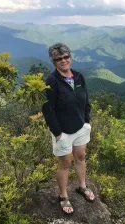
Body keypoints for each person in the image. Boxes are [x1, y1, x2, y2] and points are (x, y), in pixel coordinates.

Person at [42, 42, 95, 215]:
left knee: (80, 157)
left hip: (81, 127)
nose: (63, 60)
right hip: (63, 131)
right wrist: (57, 132)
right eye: (59, 59)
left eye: (66, 57)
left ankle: (82, 187)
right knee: (65, 163)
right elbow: (48, 109)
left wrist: (86, 121)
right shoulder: (51, 81)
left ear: (70, 57)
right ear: (54, 61)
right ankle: (63, 196)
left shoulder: (79, 77)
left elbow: (86, 100)